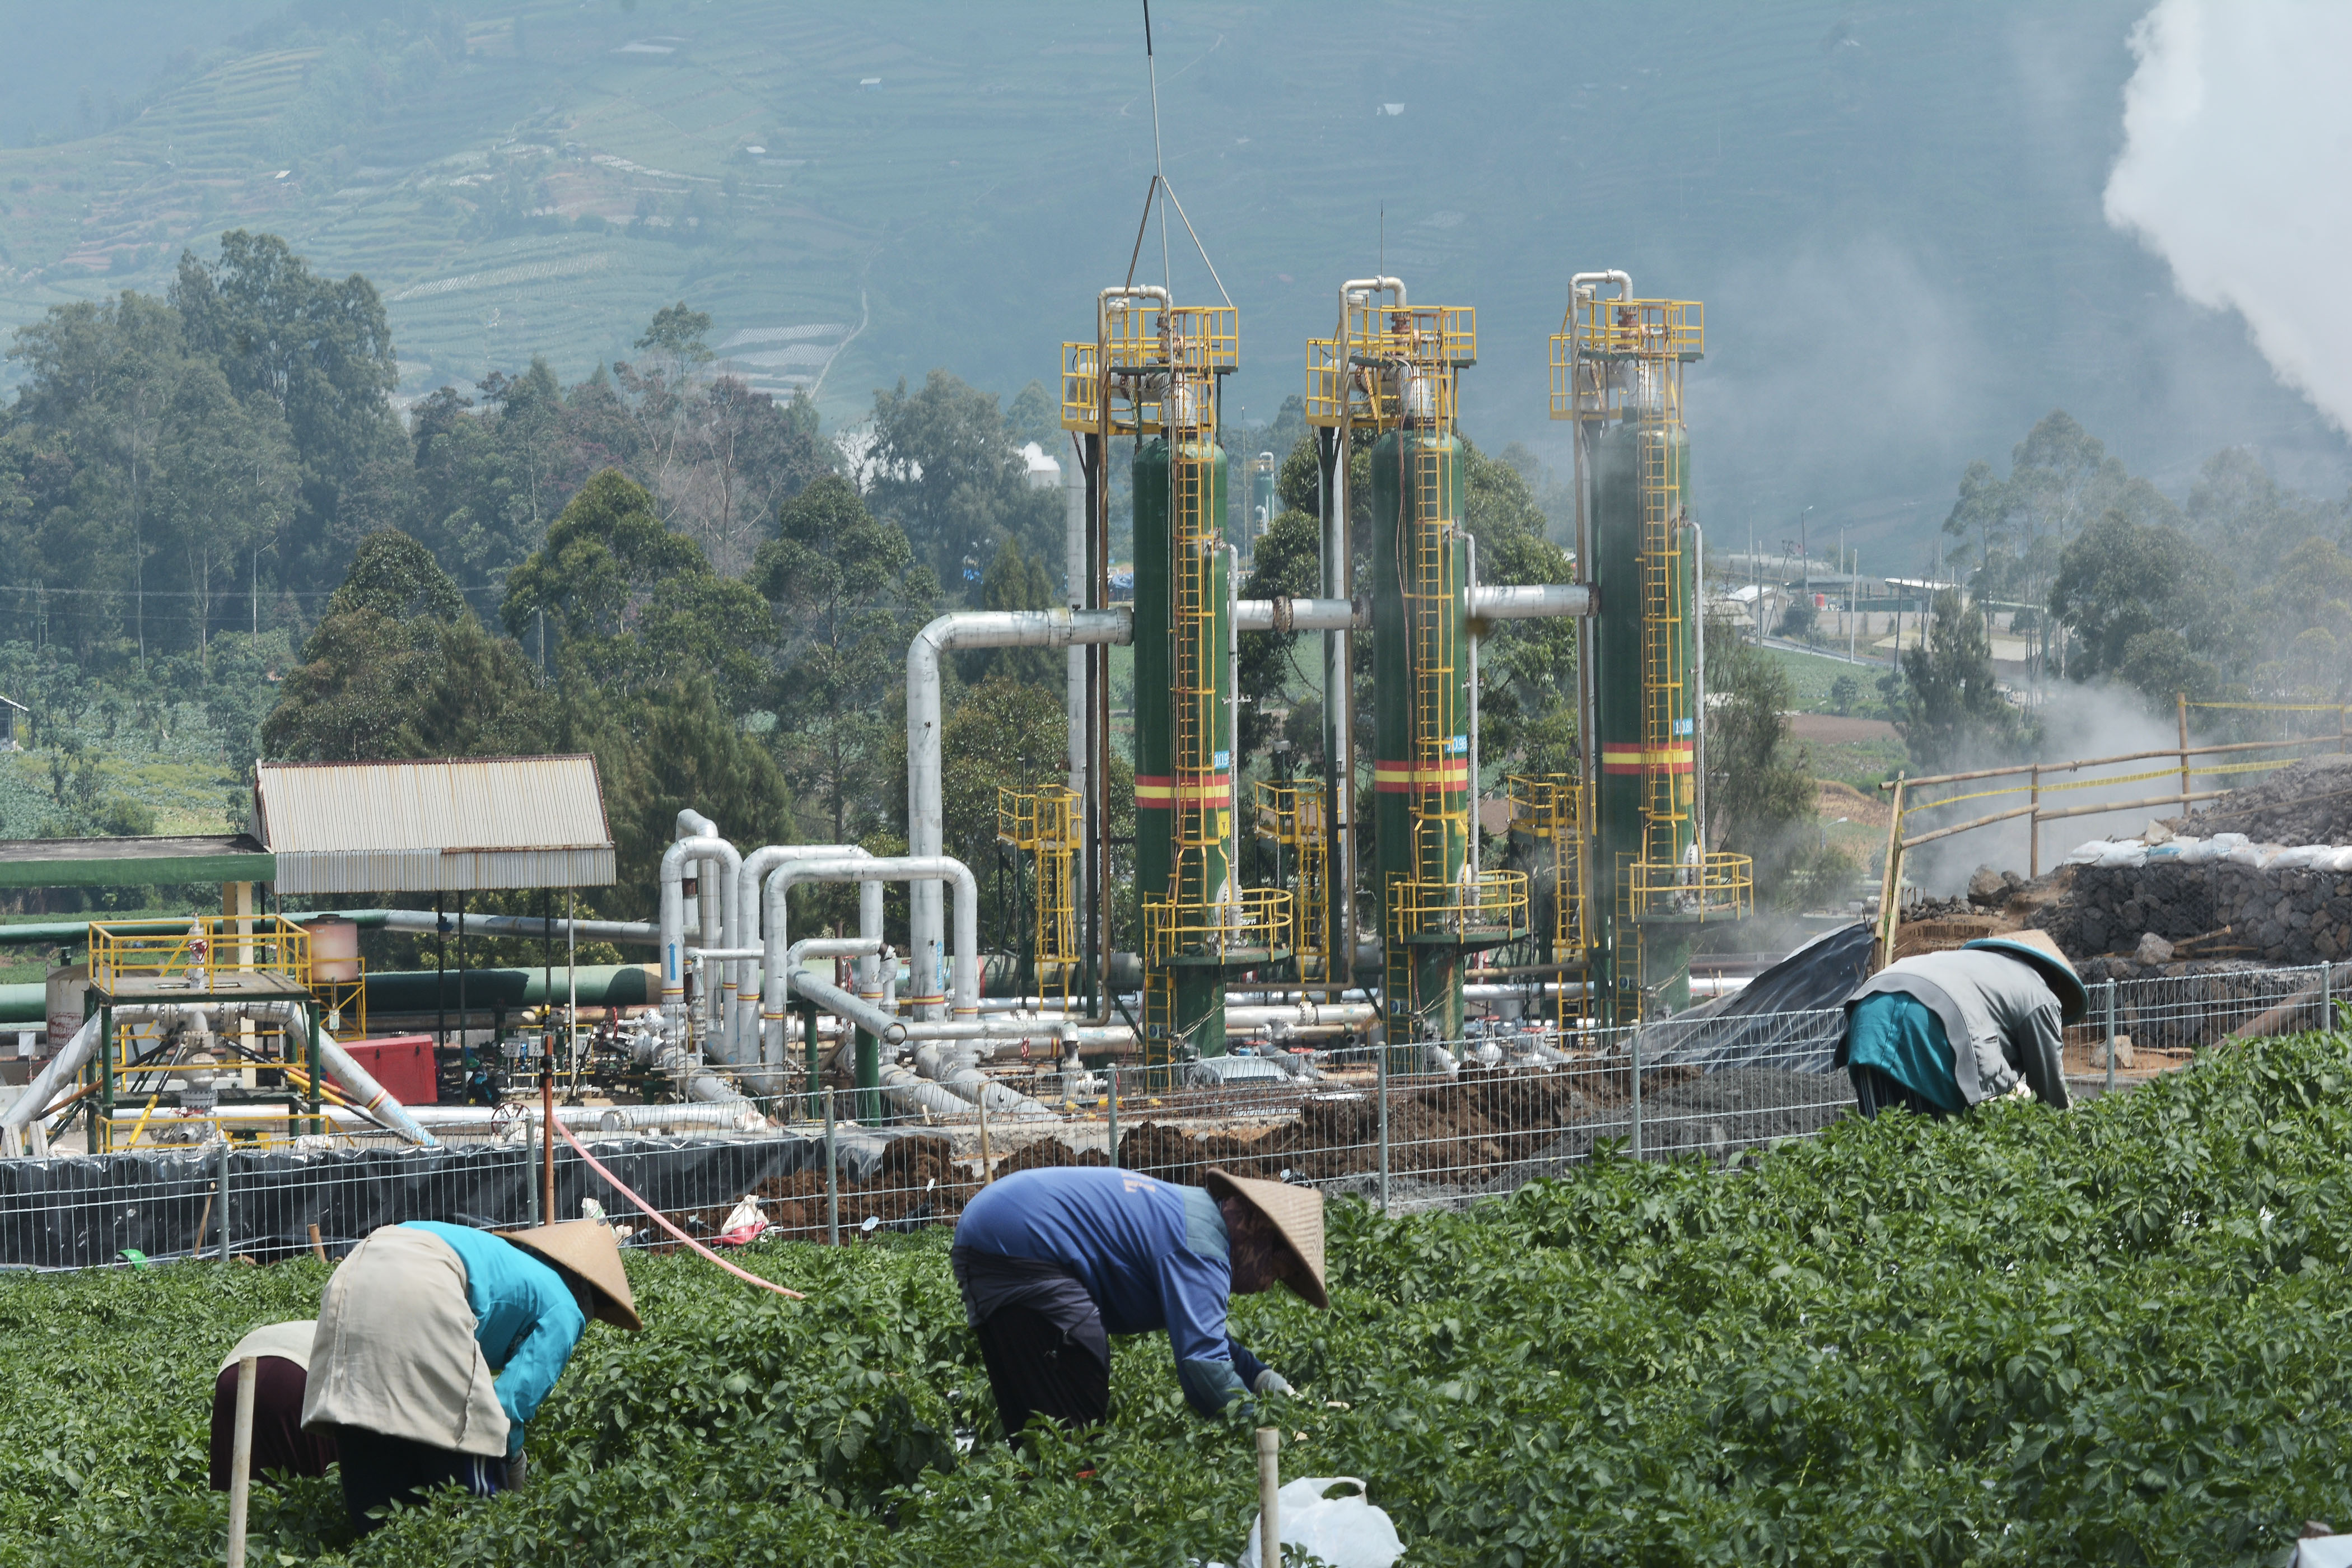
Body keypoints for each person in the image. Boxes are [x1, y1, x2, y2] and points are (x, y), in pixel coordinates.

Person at [301, 1219, 640, 1532]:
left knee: (368, 1431)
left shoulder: (511, 1263)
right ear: (590, 1297)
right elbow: (509, 1406)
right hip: (426, 1281)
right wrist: (512, 1465)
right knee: (476, 1507)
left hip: (356, 1268)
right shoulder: (567, 1308)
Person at [950, 1165, 1326, 1443]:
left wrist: (1274, 1388)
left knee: (1036, 1424)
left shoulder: (1197, 1219)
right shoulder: (1203, 1247)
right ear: (1260, 1240)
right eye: (1275, 1273)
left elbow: (1211, 1344)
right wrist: (1271, 1437)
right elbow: (1203, 1367)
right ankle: (1068, 1509)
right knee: (1074, 1405)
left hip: (993, 1232)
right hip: (1022, 1241)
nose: (1267, 1287)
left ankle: (1037, 1505)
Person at [1837, 931, 2088, 1118]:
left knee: (1881, 1143)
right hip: (1928, 1025)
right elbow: (2050, 1091)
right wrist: (2065, 1139)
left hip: (1868, 1013)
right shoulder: (2039, 993)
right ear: (2052, 980)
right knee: (1931, 1153)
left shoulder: (1973, 967)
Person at [209, 1320, 337, 1490]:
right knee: (317, 1490)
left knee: (234, 1490)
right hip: (294, 1374)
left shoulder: (325, 1327)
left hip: (233, 1370)